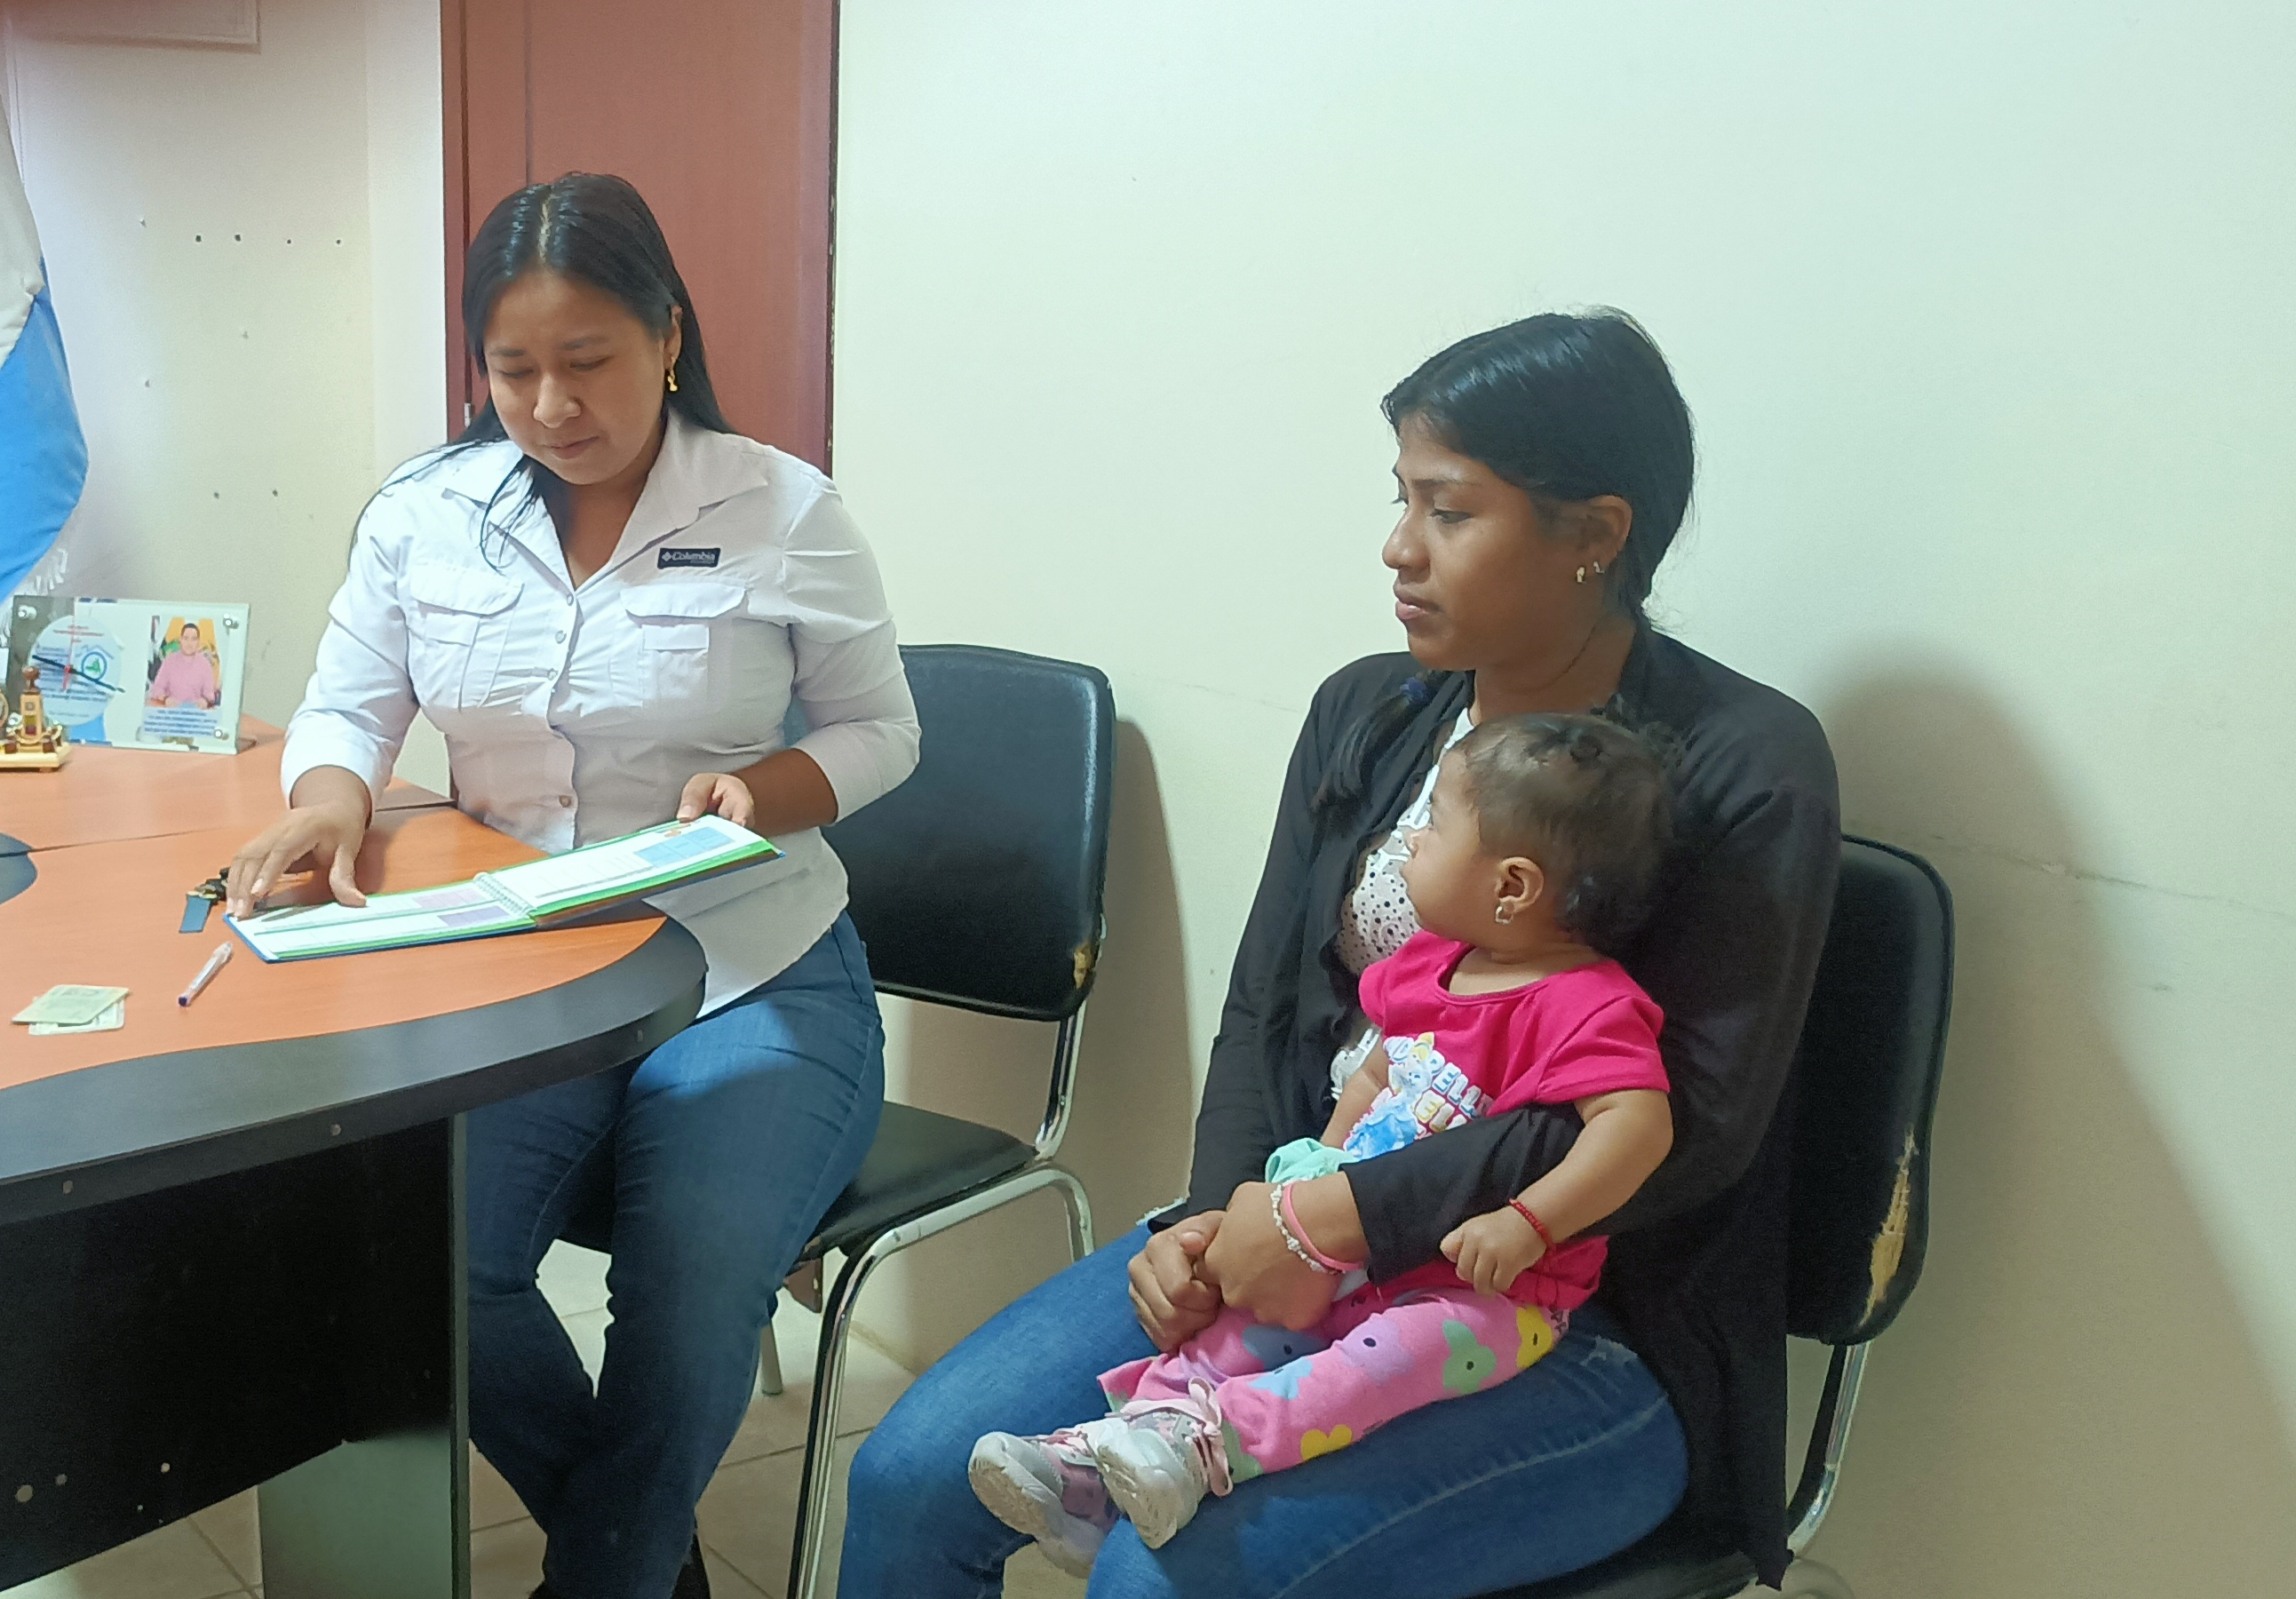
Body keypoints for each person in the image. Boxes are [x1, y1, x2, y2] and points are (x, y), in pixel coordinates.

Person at [844, 310, 1842, 1599]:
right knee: (909, 1479)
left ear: (1595, 532)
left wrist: (1343, 1221)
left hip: (1567, 1319)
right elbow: (1267, 1003)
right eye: (1401, 499)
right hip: (1292, 1234)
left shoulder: (1744, 765)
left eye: (1450, 510)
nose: (1399, 547)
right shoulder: (1369, 710)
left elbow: (1683, 1127)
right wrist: (1213, 1217)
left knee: (1161, 1577)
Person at [228, 172, 918, 1599]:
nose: (550, 405)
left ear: (668, 336)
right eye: (514, 368)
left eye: (588, 359)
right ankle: (646, 1562)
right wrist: (330, 801)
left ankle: (604, 1577)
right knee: (427, 1269)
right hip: (525, 973)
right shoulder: (426, 512)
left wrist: (764, 791)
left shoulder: (781, 506)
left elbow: (881, 729)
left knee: (685, 1294)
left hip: (752, 969)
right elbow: (347, 705)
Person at [969, 713, 1676, 1571]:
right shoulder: (1434, 963)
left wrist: (1530, 1221)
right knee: (1235, 1331)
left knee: (1370, 1370)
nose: (1410, 842)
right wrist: (1323, 1170)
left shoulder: (1589, 1006)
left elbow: (1637, 1127)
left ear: (1513, 885)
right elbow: (1378, 1072)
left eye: (1434, 825)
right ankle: (1099, 1472)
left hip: (1497, 1297)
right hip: (1364, 1255)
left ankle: (1208, 1450)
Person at [147, 619, 222, 708]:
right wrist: (166, 699)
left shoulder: (205, 664)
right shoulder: (169, 661)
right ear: (180, 640)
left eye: (193, 639)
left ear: (198, 642)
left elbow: (210, 694)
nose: (189, 643)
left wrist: (205, 701)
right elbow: (157, 689)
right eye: (186, 638)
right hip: (170, 712)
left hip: (196, 713)